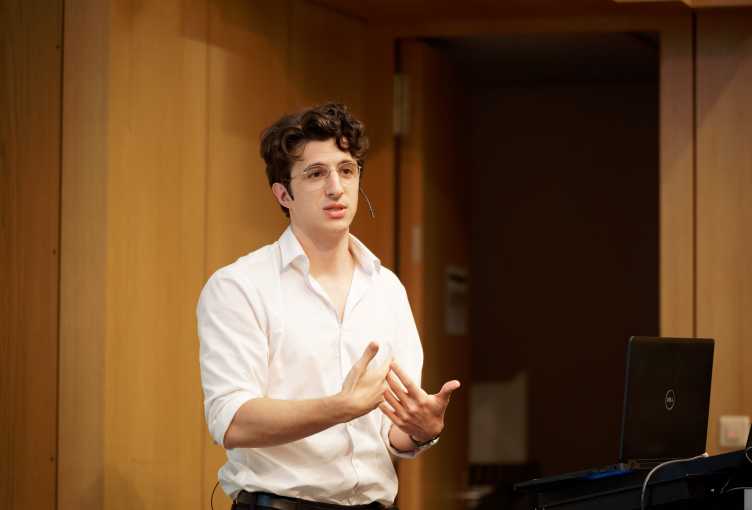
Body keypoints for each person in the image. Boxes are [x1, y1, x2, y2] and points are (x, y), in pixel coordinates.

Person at [198, 103, 460, 510]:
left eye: (347, 170)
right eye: (316, 173)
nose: (336, 187)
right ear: (283, 194)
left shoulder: (386, 288)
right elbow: (230, 420)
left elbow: (393, 434)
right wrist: (338, 408)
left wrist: (421, 429)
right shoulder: (239, 286)